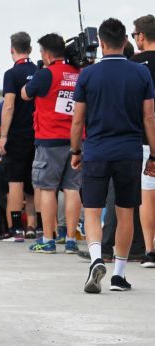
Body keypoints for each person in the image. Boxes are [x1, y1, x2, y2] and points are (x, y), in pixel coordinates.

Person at [71, 18, 155, 294]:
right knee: (125, 211)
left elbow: (77, 119)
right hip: (130, 151)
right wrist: (153, 154)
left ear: (103, 43)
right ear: (125, 42)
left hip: (95, 150)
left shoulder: (88, 75)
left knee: (93, 210)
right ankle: (119, 275)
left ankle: (96, 257)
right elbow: (149, 117)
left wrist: (75, 151)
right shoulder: (141, 74)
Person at [21, 33, 82, 254]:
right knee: (73, 188)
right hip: (76, 140)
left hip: (49, 139)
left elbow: (25, 94)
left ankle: (48, 239)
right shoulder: (77, 73)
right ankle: (72, 240)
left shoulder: (45, 74)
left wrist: (39, 72)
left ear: (46, 54)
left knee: (47, 189)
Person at [0, 32, 38, 242]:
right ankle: (31, 226)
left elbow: (9, 105)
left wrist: (3, 135)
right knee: (33, 184)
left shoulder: (11, 74)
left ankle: (15, 227)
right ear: (30, 49)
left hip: (17, 135)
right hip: (38, 135)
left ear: (12, 50)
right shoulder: (40, 71)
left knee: (15, 183)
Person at [132, 14, 155, 267]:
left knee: (148, 192)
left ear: (141, 35)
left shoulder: (134, 65)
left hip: (146, 138)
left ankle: (150, 249)